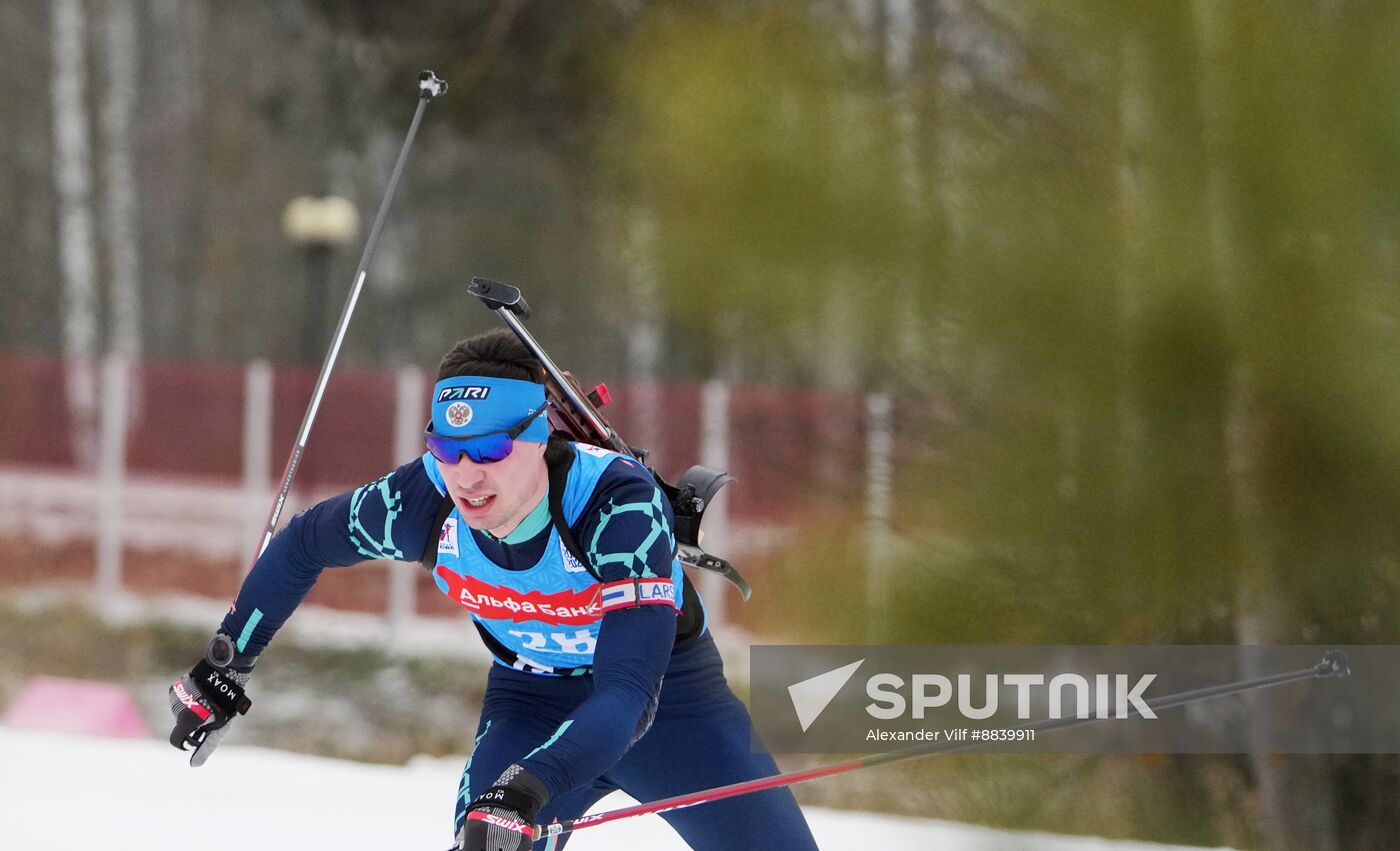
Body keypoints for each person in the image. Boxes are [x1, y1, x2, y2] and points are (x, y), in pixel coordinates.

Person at [168, 328, 818, 851]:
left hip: (670, 706)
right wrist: (227, 663)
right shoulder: (420, 500)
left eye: (490, 450)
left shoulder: (616, 504)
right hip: (531, 702)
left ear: (538, 438)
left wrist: (529, 787)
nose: (467, 476)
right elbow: (306, 542)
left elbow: (627, 694)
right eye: (448, 449)